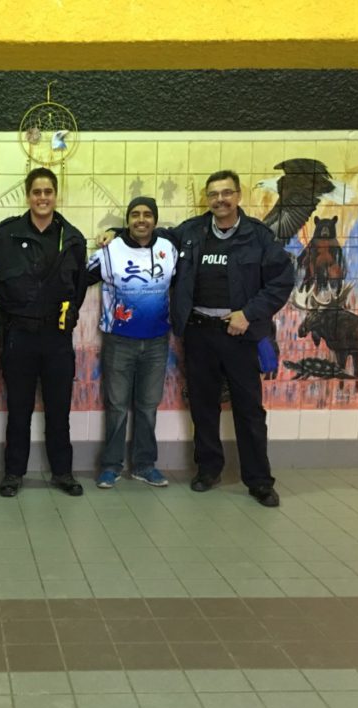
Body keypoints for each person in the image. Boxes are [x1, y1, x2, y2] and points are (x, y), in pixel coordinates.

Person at [169, 170, 294, 507]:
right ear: (207, 199)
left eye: (226, 193)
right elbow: (154, 236)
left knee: (249, 410)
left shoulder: (258, 236)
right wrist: (116, 233)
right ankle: (208, 470)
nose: (220, 199)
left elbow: (281, 281)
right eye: (213, 194)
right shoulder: (191, 232)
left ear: (238, 195)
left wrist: (248, 314)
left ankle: (259, 481)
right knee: (203, 406)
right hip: (199, 333)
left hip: (240, 335)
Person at [0, 167, 87, 498]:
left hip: (57, 338)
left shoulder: (73, 239)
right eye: (36, 192)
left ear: (56, 195)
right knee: (19, 410)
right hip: (19, 336)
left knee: (59, 411)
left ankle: (63, 472)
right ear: (27, 195)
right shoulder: (6, 235)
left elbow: (78, 288)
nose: (42, 197)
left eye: (48, 192)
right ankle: (14, 473)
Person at [88, 197, 178, 490]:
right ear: (127, 220)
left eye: (147, 214)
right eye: (135, 214)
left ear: (155, 220)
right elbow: (77, 278)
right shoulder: (109, 250)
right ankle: (111, 466)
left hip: (157, 341)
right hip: (119, 341)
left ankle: (144, 465)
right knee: (116, 406)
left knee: (148, 406)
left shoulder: (169, 249)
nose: (141, 219)